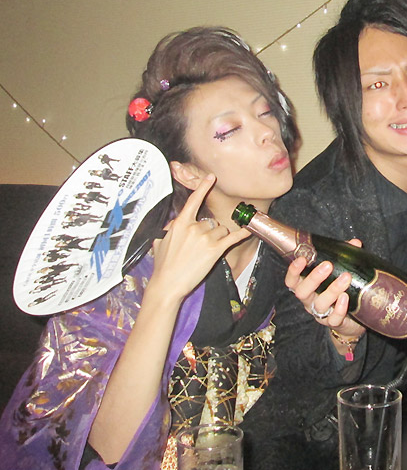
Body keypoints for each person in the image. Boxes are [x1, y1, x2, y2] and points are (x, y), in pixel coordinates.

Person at [0, 26, 341, 470]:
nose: (265, 132)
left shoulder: (292, 238)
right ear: (187, 172)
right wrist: (164, 293)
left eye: (264, 112)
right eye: (228, 130)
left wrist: (341, 332)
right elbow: (109, 446)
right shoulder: (132, 266)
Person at [264, 0, 407, 469]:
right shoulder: (309, 212)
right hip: (340, 449)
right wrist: (343, 336)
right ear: (344, 103)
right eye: (377, 84)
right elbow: (293, 384)